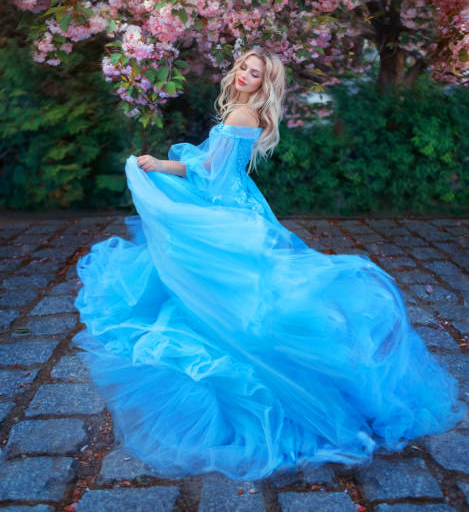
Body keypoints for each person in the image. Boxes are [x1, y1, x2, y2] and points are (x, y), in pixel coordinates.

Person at [73, 46, 467, 481]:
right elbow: (212, 167)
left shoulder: (242, 117)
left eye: (254, 72)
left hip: (229, 211)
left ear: (265, 83)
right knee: (231, 292)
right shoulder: (240, 111)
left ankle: (286, 377)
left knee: (233, 292)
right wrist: (165, 169)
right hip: (236, 205)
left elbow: (210, 174)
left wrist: (159, 166)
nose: (244, 74)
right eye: (243, 66)